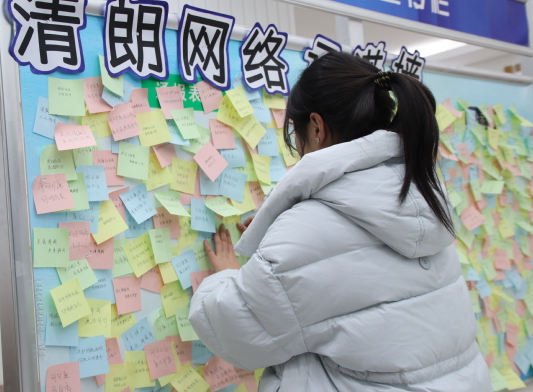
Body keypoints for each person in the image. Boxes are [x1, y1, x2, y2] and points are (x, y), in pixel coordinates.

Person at [188, 52, 492, 391]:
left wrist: (229, 274)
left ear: (317, 127)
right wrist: (282, 246)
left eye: (296, 135)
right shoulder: (423, 196)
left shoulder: (307, 230)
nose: (298, 147)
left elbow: (233, 332)